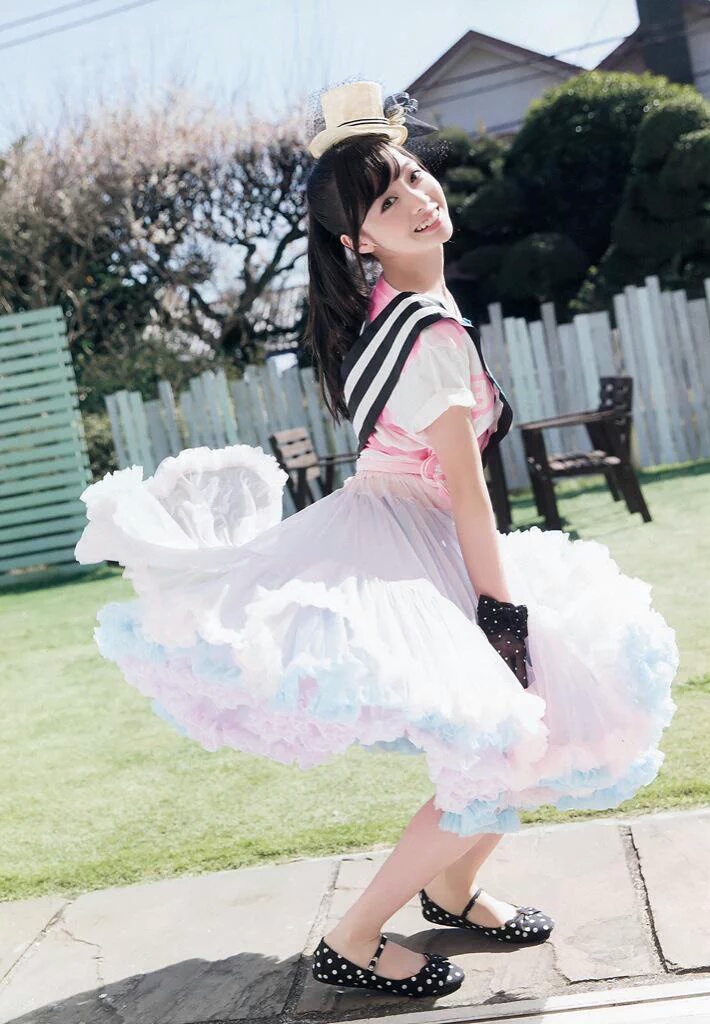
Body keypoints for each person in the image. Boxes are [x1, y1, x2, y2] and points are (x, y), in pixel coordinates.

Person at [74, 80, 679, 1002]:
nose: (419, 200)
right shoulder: (425, 331)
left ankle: (453, 888)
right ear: (360, 241)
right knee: (509, 734)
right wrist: (502, 616)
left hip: (406, 526)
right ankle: (353, 939)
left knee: (543, 720)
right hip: (415, 539)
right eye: (389, 202)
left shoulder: (402, 306)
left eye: (414, 179)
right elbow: (469, 496)